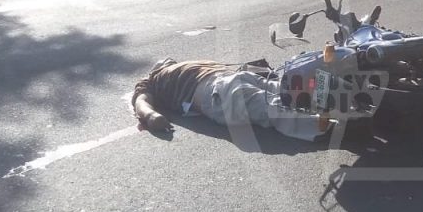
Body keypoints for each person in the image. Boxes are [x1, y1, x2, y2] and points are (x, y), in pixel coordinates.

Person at [132, 58, 331, 141]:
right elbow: (142, 100)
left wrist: (151, 116)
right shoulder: (158, 78)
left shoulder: (162, 76)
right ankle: (336, 114)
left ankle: (335, 120)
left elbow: (141, 101)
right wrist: (151, 115)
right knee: (286, 97)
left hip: (222, 87)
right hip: (227, 83)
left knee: (278, 104)